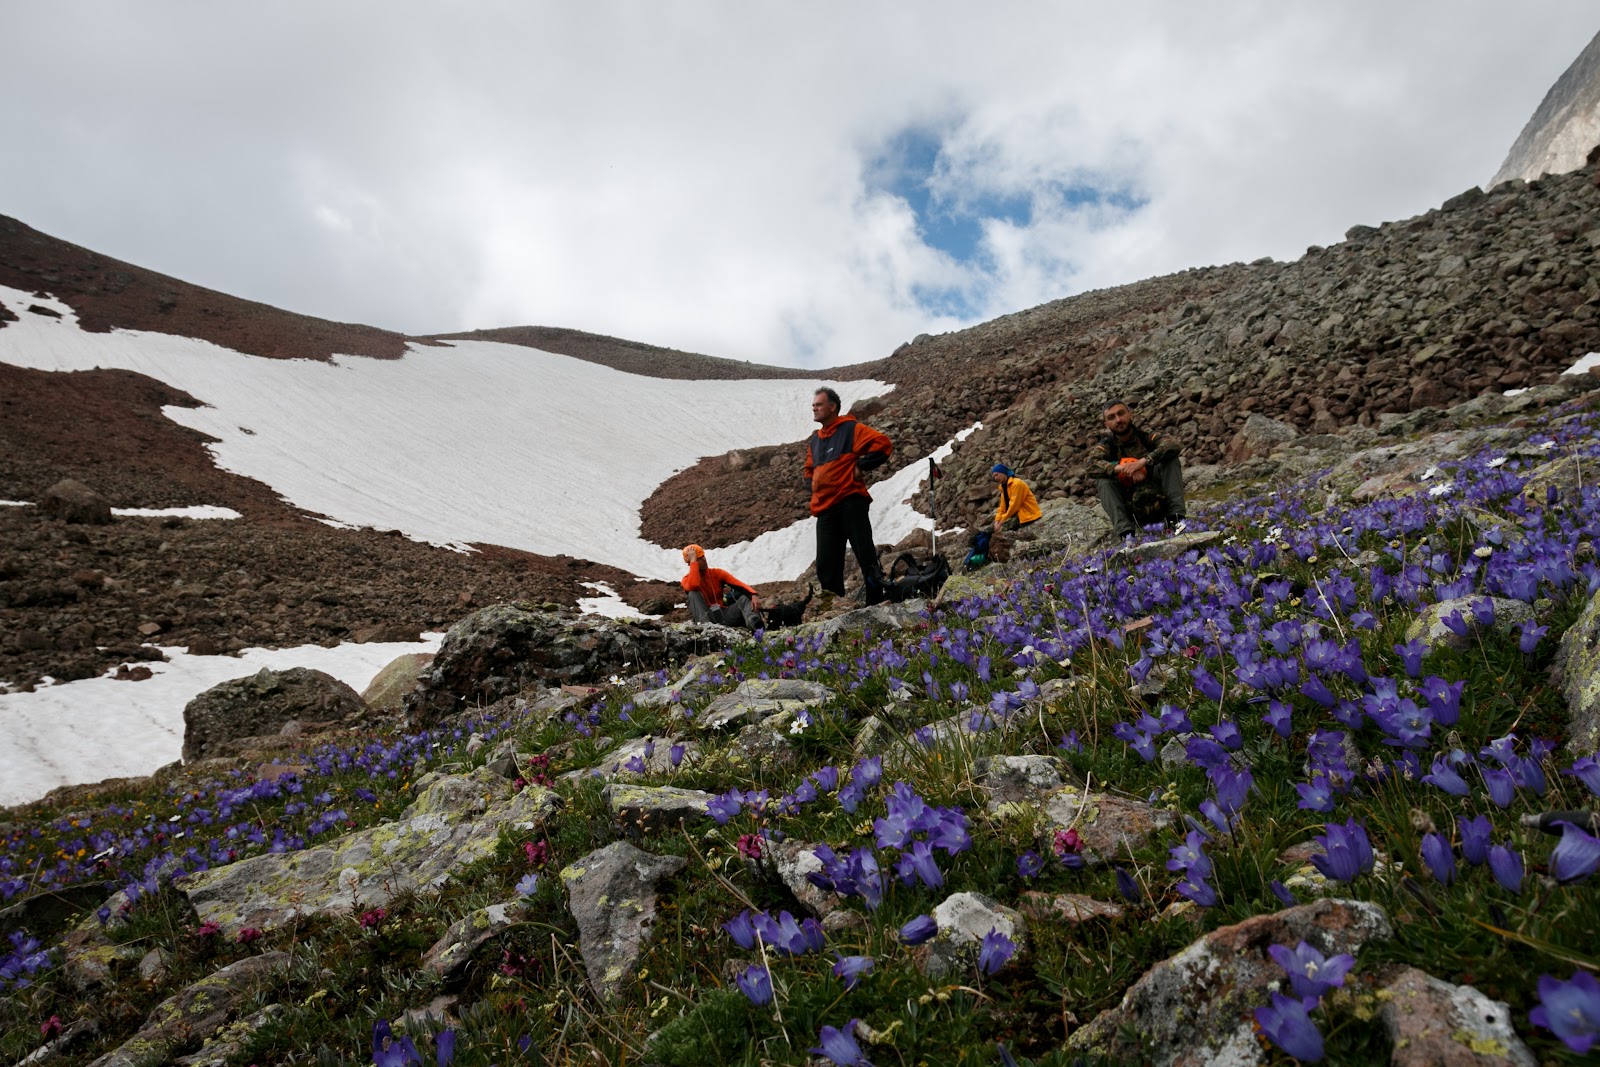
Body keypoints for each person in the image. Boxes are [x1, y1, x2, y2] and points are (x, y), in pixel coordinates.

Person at [804, 387, 892, 603]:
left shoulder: (850, 429)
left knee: (864, 553)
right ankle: (835, 606)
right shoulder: (815, 441)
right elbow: (808, 469)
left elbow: (882, 444)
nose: (814, 408)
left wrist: (861, 464)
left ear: (833, 407)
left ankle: (876, 600)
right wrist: (813, 486)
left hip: (850, 501)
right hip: (824, 509)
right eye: (813, 404)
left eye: (819, 404)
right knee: (826, 563)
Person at [1088, 399, 1186, 539]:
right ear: (1106, 424)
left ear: (1130, 415)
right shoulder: (1107, 445)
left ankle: (1176, 520)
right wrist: (1124, 468)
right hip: (1132, 509)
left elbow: (1173, 445)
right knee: (1103, 481)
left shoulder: (1145, 436)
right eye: (1111, 417)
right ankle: (1126, 533)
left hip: (1160, 499)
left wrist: (1143, 463)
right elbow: (1090, 465)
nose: (1118, 420)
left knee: (1170, 459)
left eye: (1121, 414)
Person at [680, 544, 764, 628]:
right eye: (699, 558)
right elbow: (694, 585)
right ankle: (707, 629)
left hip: (724, 614)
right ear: (690, 563)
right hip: (706, 617)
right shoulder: (686, 580)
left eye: (703, 556)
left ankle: (755, 625)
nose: (704, 559)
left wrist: (753, 594)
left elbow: (738, 585)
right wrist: (693, 562)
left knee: (745, 598)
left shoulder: (717, 573)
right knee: (693, 594)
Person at [990, 464, 1041, 533]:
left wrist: (1001, 521)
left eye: (997, 475)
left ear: (1003, 472)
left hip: (1029, 516)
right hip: (1017, 516)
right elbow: (1002, 507)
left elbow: (1014, 505)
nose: (995, 478)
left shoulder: (1017, 484)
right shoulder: (1003, 487)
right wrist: (997, 520)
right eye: (994, 476)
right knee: (992, 532)